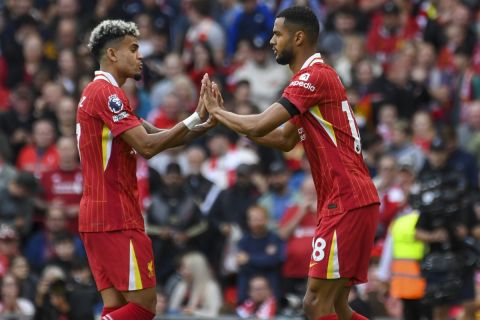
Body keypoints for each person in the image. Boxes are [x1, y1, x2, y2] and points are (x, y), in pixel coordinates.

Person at [201, 6, 379, 320]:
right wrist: (227, 120)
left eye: (277, 34)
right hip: (348, 199)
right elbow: (284, 140)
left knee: (314, 304)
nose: (271, 40)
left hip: (346, 199)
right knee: (337, 307)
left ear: (298, 38)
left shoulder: (313, 77)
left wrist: (218, 113)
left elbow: (258, 126)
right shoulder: (314, 81)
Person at [77, 20, 216, 320]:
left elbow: (159, 137)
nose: (140, 56)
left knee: (115, 309)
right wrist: (195, 120)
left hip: (97, 217)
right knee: (143, 307)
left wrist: (205, 118)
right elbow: (148, 147)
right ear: (112, 54)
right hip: (116, 216)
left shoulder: (101, 94)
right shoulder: (107, 94)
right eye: (134, 48)